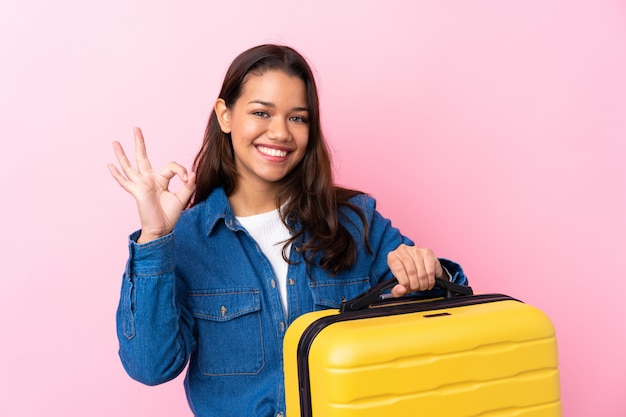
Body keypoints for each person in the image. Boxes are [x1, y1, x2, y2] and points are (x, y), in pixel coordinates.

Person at [108, 44, 468, 417]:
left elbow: (435, 324)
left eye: (297, 118)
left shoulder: (356, 220)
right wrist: (154, 237)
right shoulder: (184, 241)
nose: (280, 132)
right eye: (261, 112)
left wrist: (431, 272)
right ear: (225, 115)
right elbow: (150, 367)